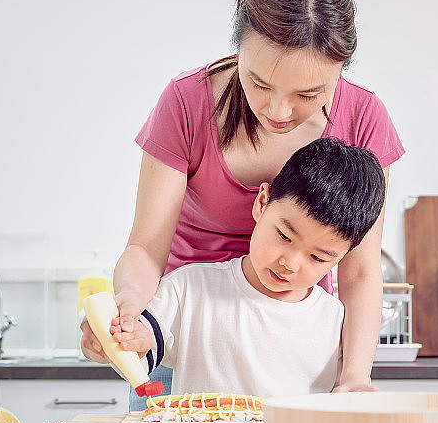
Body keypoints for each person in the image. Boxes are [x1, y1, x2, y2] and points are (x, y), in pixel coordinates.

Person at [80, 0, 404, 405]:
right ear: (238, 49)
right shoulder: (187, 102)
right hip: (185, 328)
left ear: (342, 70)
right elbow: (146, 245)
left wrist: (354, 377)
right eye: (260, 83)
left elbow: (360, 270)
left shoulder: (363, 117)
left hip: (288, 335)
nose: (278, 111)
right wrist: (130, 312)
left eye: (308, 94)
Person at [116, 138, 386, 397]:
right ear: (261, 203)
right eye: (284, 236)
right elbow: (137, 349)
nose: (290, 264)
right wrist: (122, 339)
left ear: (343, 257)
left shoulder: (336, 322)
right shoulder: (188, 290)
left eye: (317, 258)